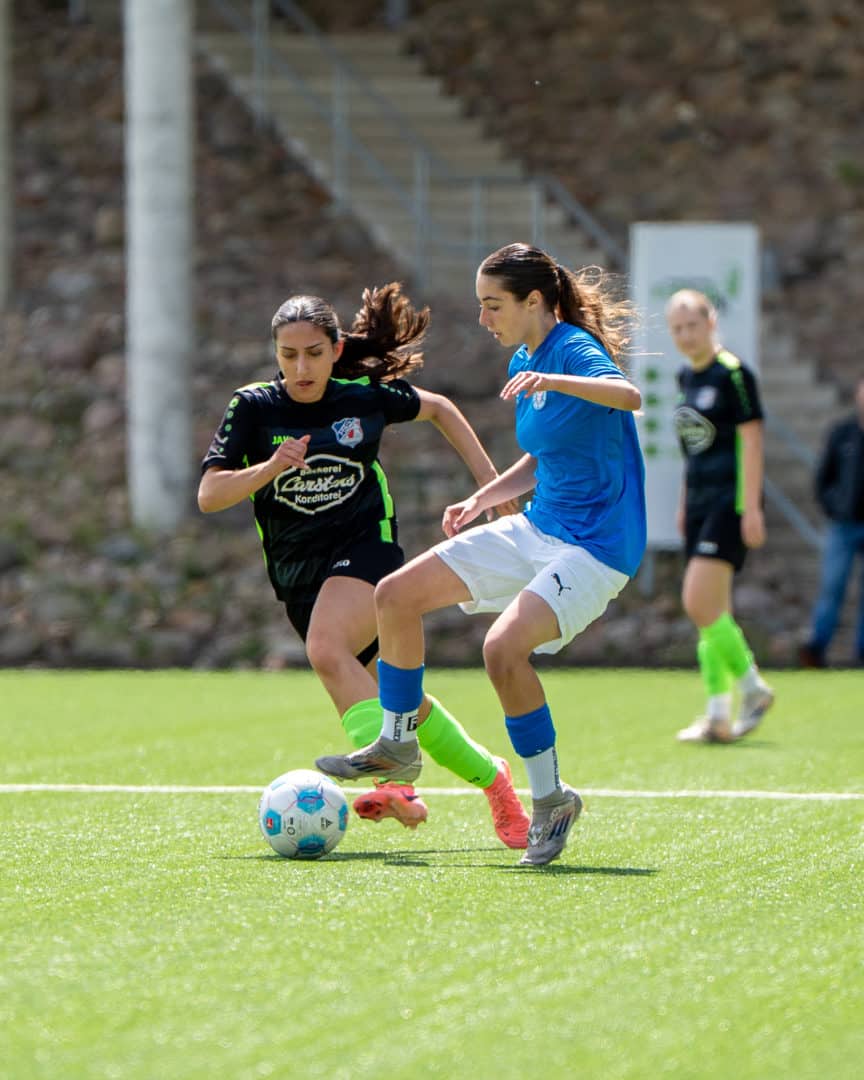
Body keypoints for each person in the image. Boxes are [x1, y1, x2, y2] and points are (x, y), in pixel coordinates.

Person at [315, 243, 646, 867]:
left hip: (597, 546)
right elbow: (544, 458)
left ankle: (551, 799)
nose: (483, 318)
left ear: (534, 301)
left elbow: (626, 395)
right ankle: (398, 743)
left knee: (502, 649)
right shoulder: (525, 358)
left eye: (493, 305)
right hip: (539, 526)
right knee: (396, 595)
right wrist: (481, 498)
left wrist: (553, 379)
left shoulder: (571, 349)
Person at [198, 283, 530, 848]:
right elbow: (210, 495)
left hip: (366, 549)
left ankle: (393, 778)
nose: (301, 368)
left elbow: (440, 408)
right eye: (288, 355)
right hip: (299, 576)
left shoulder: (362, 397)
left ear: (335, 349)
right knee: (404, 704)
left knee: (326, 649)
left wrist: (489, 486)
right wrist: (268, 468)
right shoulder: (253, 407)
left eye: (313, 353)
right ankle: (494, 780)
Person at [666, 289, 775, 743]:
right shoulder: (684, 377)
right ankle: (716, 715)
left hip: (729, 502)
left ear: (711, 322)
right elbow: (693, 450)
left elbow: (752, 441)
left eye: (693, 325)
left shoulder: (734, 374)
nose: (686, 335)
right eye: (677, 328)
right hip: (699, 504)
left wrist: (750, 508)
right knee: (713, 612)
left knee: (698, 602)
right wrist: (683, 503)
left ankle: (752, 687)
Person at [799, 374, 864, 668]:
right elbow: (823, 479)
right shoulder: (843, 433)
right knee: (832, 586)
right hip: (844, 524)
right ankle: (817, 647)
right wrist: (834, 507)